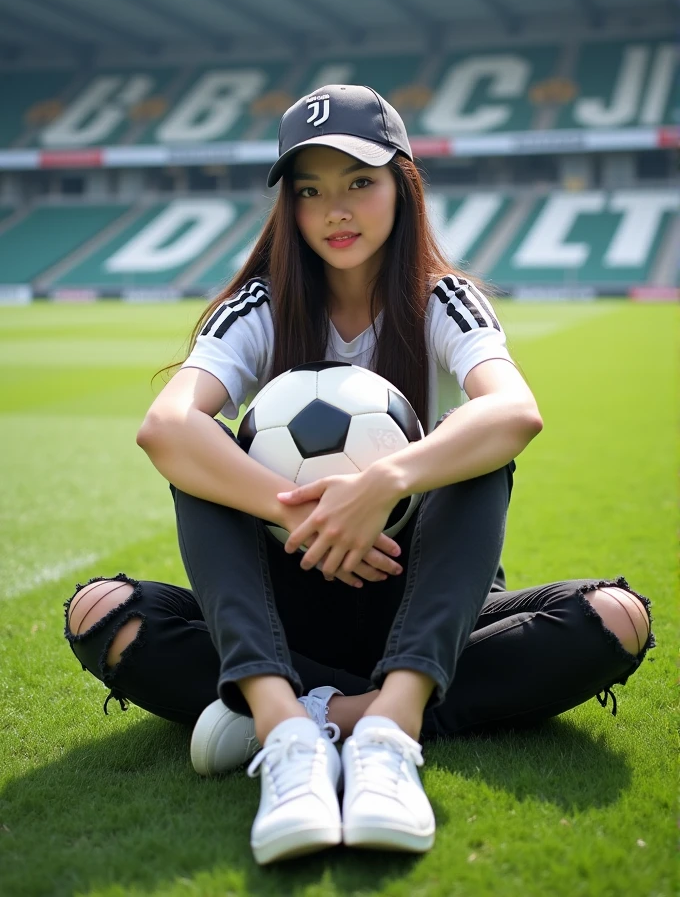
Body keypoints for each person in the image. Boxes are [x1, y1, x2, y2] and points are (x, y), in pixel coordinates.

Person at [63, 84, 653, 866]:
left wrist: (384, 484)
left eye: (359, 182)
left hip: (422, 603)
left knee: (613, 615)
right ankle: (284, 727)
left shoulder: (446, 300)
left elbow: (514, 412)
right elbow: (165, 428)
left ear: (402, 187)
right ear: (290, 208)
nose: (335, 210)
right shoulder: (258, 307)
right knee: (106, 609)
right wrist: (310, 514)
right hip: (286, 607)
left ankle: (383, 723)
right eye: (310, 191)